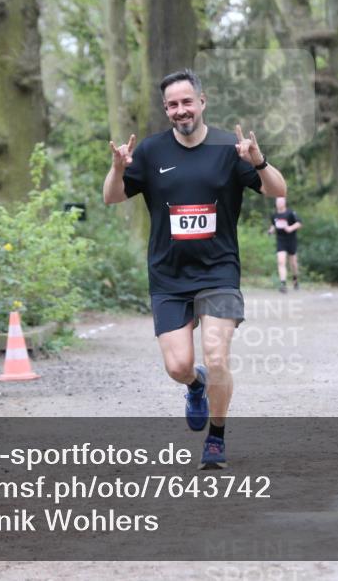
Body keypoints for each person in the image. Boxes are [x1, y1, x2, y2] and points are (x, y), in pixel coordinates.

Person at [103, 69, 287, 469]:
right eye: (172, 104)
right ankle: (195, 384)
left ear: (202, 102)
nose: (180, 110)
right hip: (168, 277)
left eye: (187, 101)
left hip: (218, 271)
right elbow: (111, 198)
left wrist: (259, 161)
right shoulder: (151, 152)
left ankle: (216, 438)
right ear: (166, 109)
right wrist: (118, 167)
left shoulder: (228, 148)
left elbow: (278, 189)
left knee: (217, 355)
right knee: (178, 366)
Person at [268, 197, 302, 293]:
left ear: (284, 203)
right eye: (277, 202)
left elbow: (299, 223)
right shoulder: (274, 215)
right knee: (281, 261)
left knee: (293, 263)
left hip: (291, 240)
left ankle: (295, 279)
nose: (279, 203)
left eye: (280, 202)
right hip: (280, 240)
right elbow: (273, 225)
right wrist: (271, 230)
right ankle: (283, 284)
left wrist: (290, 228)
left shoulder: (291, 213)